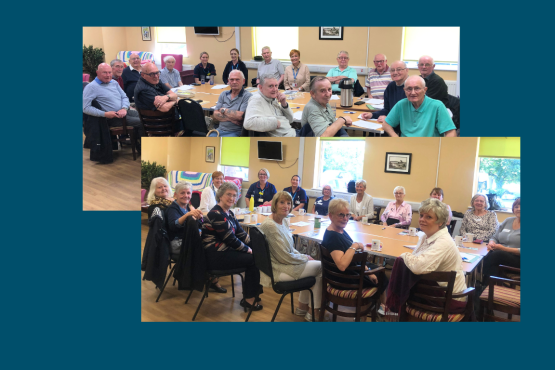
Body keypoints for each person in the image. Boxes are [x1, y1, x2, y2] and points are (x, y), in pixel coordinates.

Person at [259, 192, 325, 321]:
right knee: (322, 267)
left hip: (283, 264)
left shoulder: (282, 221)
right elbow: (284, 256)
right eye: (282, 202)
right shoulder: (271, 226)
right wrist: (305, 258)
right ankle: (313, 312)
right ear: (275, 204)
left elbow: (289, 249)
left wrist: (303, 255)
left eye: (288, 203)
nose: (286, 206)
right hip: (279, 269)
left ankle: (303, 308)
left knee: (316, 268)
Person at [322, 198, 388, 318]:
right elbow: (342, 265)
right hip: (345, 279)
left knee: (378, 270)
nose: (346, 218)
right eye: (341, 215)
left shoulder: (340, 230)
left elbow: (353, 256)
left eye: (347, 215)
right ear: (330, 216)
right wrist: (354, 246)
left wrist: (367, 270)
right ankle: (374, 309)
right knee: (382, 276)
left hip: (351, 271)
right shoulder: (333, 237)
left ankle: (380, 307)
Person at [201, 181, 262, 310]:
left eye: (234, 195)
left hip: (225, 252)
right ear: (221, 195)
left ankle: (251, 294)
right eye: (229, 194)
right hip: (215, 256)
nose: (232, 198)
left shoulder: (229, 213)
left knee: (257, 255)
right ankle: (249, 298)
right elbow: (231, 240)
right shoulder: (215, 214)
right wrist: (249, 250)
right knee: (254, 260)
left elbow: (241, 234)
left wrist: (257, 246)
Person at [398, 198, 467, 301]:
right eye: (421, 215)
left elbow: (418, 267)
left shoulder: (444, 241)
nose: (422, 219)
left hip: (448, 300)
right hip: (432, 293)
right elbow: (417, 262)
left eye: (428, 217)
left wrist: (403, 256)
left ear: (440, 222)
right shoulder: (424, 236)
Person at [382, 75, 457, 137]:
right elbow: (386, 124)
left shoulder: (437, 106)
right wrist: (395, 137)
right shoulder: (401, 104)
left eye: (417, 88)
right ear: (404, 90)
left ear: (425, 90)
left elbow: (450, 132)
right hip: (405, 146)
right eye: (409, 89)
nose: (413, 92)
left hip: (429, 147)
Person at [83, 63, 145, 137]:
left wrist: (124, 108)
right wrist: (105, 114)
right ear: (97, 73)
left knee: (145, 117)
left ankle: (137, 141)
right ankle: (141, 146)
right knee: (143, 122)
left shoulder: (114, 83)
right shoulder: (91, 87)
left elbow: (124, 97)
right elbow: (85, 108)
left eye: (109, 72)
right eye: (104, 72)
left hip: (124, 112)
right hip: (112, 118)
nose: (108, 75)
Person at [134, 62, 184, 135]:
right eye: (152, 74)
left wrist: (166, 97)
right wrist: (174, 101)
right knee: (193, 124)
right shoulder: (143, 90)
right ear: (143, 75)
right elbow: (165, 108)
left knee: (193, 118)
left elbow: (173, 94)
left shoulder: (156, 81)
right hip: (159, 125)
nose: (156, 76)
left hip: (168, 120)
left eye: (157, 73)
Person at [482, 198, 521, 285]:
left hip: (518, 259)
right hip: (501, 257)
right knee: (492, 262)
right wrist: (492, 242)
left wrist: (504, 249)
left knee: (497, 255)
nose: (519, 209)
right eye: (516, 206)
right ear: (513, 209)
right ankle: (490, 289)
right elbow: (495, 236)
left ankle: (484, 287)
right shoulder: (508, 220)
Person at [166, 182, 204, 256]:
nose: (186, 195)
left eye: (188, 193)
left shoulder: (187, 208)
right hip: (177, 243)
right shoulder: (172, 209)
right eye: (182, 193)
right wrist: (188, 215)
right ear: (175, 195)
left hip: (187, 240)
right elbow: (173, 226)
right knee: (206, 248)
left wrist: (199, 219)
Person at [211, 70, 252, 137]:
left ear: (243, 81)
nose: (234, 82)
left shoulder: (247, 96)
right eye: (232, 80)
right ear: (228, 81)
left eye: (237, 79)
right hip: (219, 130)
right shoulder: (223, 94)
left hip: (235, 132)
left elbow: (240, 116)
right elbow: (215, 114)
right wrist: (230, 119)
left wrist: (223, 110)